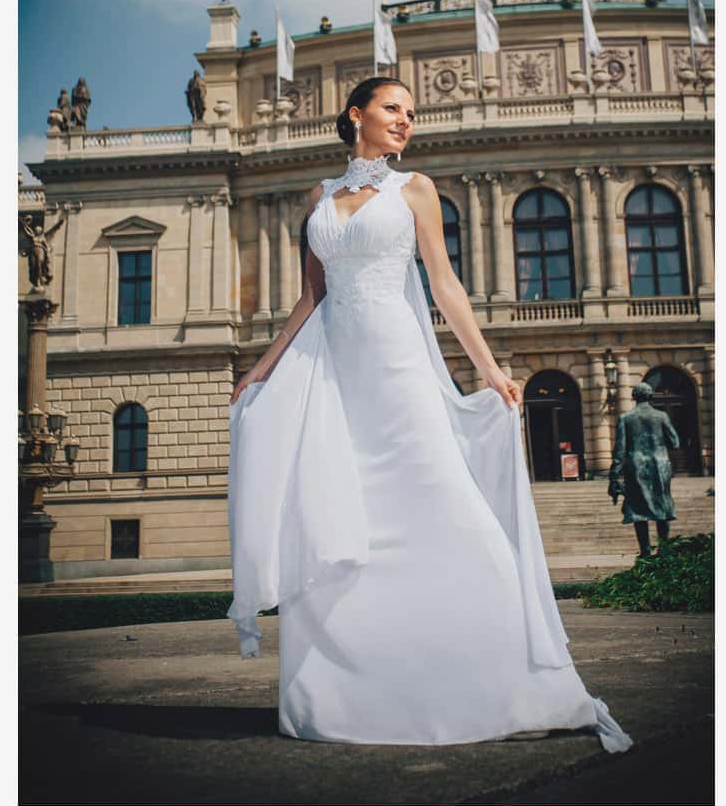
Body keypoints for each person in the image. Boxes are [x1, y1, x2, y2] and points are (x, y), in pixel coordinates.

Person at [226, 77, 632, 753]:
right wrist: (261, 370)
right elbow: (309, 299)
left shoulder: (413, 189)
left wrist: (489, 368)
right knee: (339, 518)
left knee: (443, 504)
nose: (405, 121)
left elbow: (443, 284)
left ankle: (496, 676)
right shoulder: (316, 198)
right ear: (355, 114)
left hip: (399, 365)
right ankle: (348, 691)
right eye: (392, 108)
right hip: (334, 373)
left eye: (411, 113)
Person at [609, 381, 681, 557]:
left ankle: (645, 552)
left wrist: (614, 475)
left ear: (633, 397)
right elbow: (675, 442)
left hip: (636, 466)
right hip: (660, 464)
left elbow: (619, 450)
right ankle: (664, 550)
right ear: (650, 396)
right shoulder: (661, 416)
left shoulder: (625, 418)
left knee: (638, 509)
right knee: (662, 504)